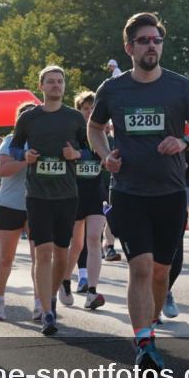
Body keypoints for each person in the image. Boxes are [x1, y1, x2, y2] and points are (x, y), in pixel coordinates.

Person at [88, 12, 189, 373]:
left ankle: (149, 325)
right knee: (139, 267)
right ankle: (143, 341)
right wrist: (104, 154)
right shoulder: (113, 89)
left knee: (160, 272)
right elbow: (94, 129)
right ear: (130, 47)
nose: (152, 45)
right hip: (128, 191)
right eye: (144, 40)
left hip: (170, 193)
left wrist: (184, 141)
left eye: (156, 39)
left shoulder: (181, 87)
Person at [9, 66, 88, 336]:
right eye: (51, 82)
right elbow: (15, 147)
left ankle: (51, 297)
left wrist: (75, 154)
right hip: (38, 194)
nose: (56, 85)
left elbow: (89, 151)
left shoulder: (75, 117)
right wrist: (25, 156)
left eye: (60, 81)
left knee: (62, 255)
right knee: (43, 253)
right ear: (41, 86)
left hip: (67, 194)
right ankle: (47, 312)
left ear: (64, 86)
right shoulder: (29, 118)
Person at [0, 102, 40, 321]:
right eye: (25, 116)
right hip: (10, 204)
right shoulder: (10, 141)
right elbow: (2, 170)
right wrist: (25, 161)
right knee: (6, 258)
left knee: (39, 258)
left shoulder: (46, 140)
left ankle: (41, 303)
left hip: (38, 204)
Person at [62, 91, 107, 311]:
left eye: (92, 108)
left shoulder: (100, 134)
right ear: (78, 110)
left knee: (94, 239)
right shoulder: (71, 133)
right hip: (73, 194)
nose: (90, 112)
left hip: (95, 193)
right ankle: (64, 281)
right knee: (76, 244)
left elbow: (103, 156)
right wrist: (78, 155)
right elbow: (67, 154)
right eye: (86, 108)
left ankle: (92, 291)